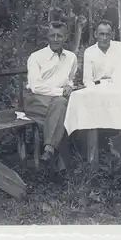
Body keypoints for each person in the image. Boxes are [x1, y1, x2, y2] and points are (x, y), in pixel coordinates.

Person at [23, 21, 78, 162]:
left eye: (59, 36)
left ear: (65, 37)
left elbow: (71, 78)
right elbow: (36, 87)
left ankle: (49, 149)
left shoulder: (71, 57)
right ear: (47, 37)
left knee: (62, 107)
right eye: (52, 35)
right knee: (65, 107)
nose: (55, 39)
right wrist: (61, 92)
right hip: (36, 99)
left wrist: (69, 86)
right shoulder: (36, 57)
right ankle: (65, 161)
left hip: (57, 102)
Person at [83, 19, 121, 87]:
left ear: (112, 35)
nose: (105, 38)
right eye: (101, 34)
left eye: (107, 34)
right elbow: (87, 80)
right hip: (97, 89)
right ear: (95, 34)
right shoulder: (89, 52)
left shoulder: (120, 47)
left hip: (118, 87)